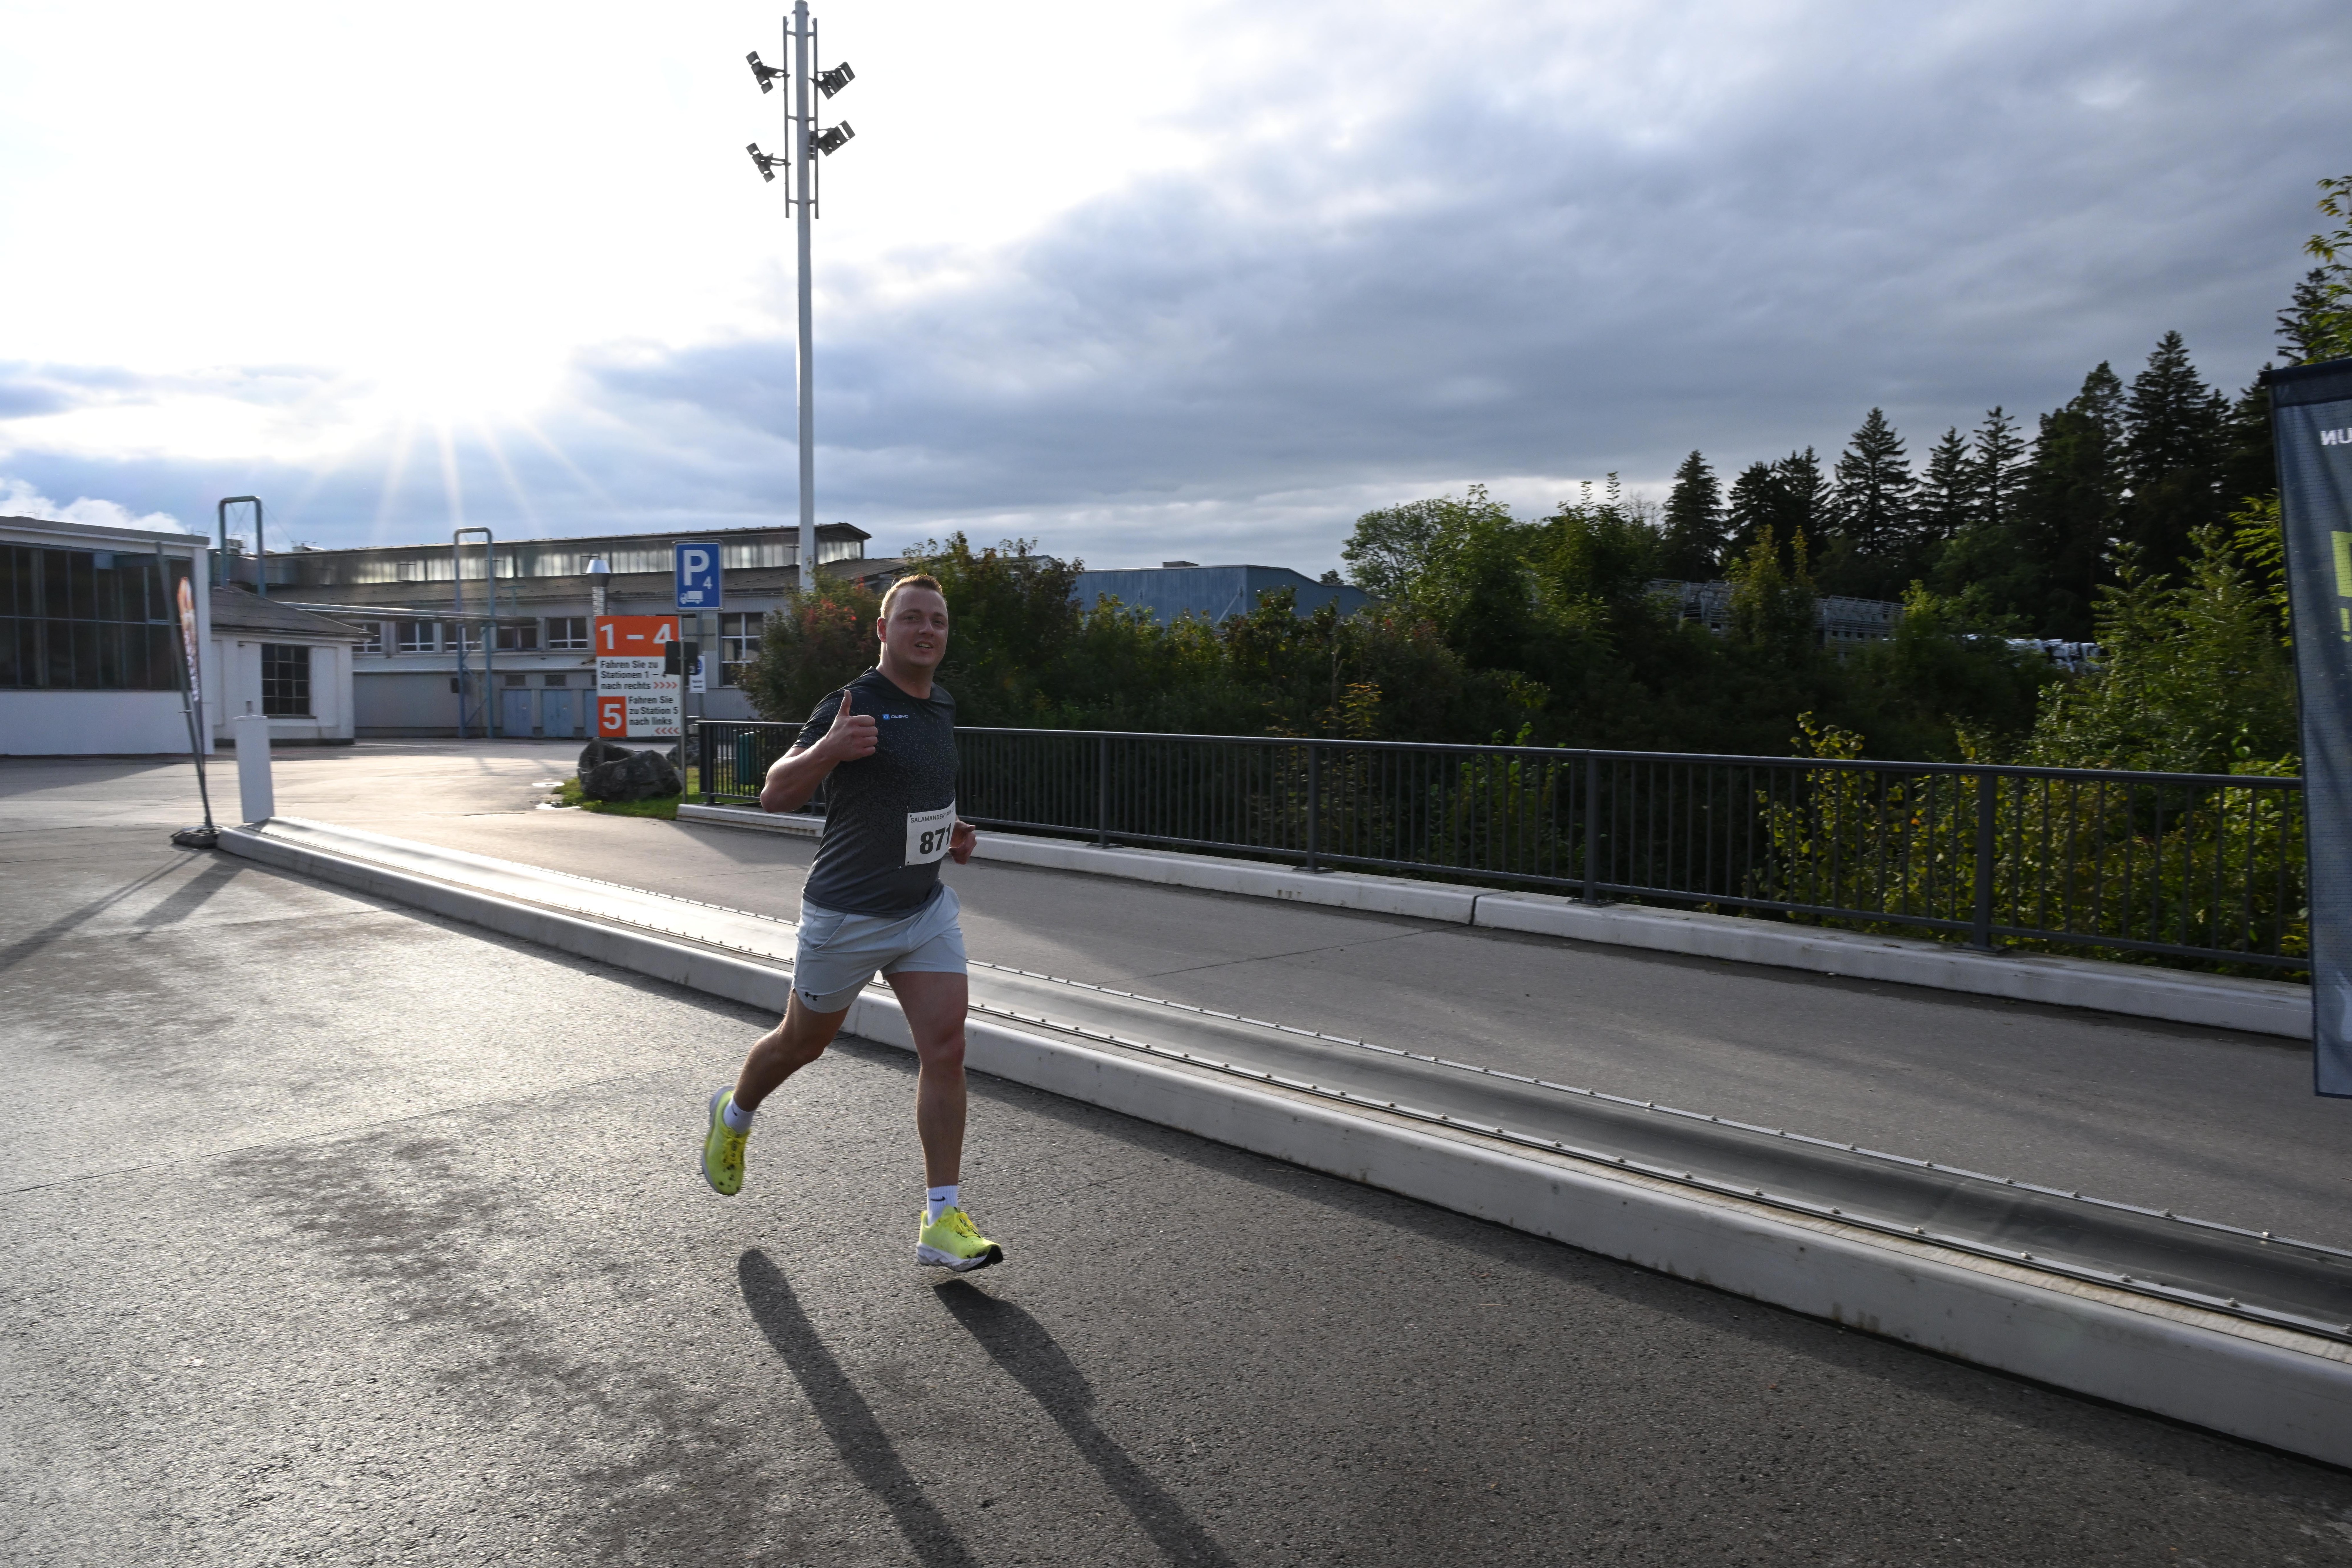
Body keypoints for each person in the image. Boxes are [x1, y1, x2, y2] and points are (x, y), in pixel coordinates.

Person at [699, 573, 1000, 1272]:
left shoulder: (941, 705)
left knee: (946, 1049)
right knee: (801, 1045)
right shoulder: (854, 701)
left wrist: (947, 828)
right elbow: (775, 793)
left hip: (922, 910)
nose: (927, 631)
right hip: (846, 916)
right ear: (883, 631)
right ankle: (735, 1113)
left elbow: (915, 790)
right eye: (912, 619)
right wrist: (829, 750)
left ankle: (941, 1219)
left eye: (938, 621)